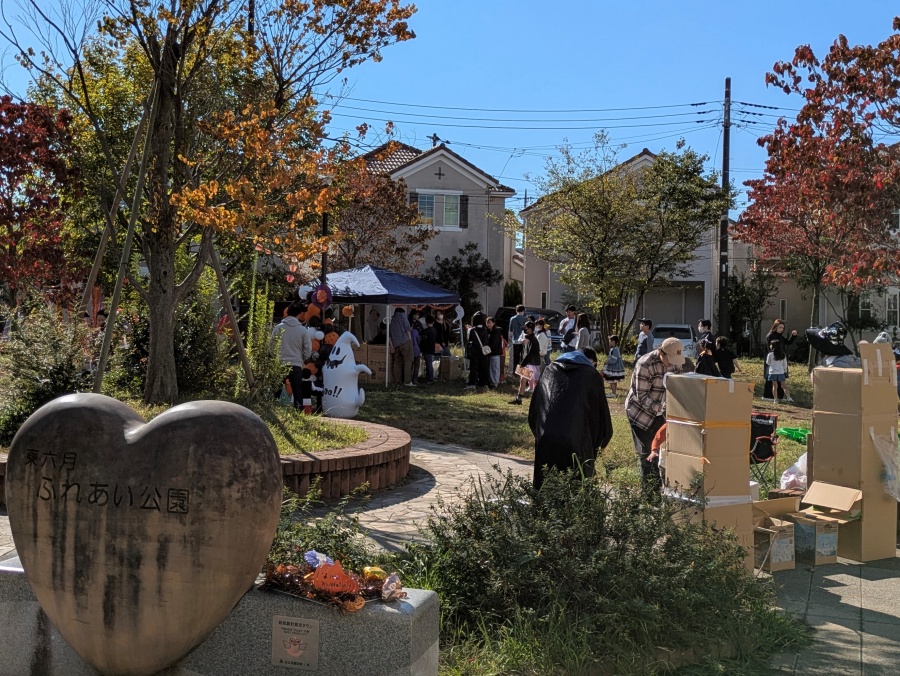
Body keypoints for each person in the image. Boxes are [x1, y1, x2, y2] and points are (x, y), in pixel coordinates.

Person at [528, 347, 612, 490]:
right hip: (578, 443)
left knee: (546, 490)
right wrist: (596, 446)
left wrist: (541, 435)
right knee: (576, 492)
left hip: (546, 441)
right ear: (590, 361)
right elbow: (601, 417)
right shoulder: (592, 375)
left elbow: (534, 413)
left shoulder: (548, 371)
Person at [625, 336, 684, 496]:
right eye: (670, 359)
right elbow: (641, 396)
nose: (673, 364)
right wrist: (661, 408)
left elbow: (678, 385)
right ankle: (649, 495)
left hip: (662, 413)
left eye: (676, 360)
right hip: (640, 414)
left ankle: (660, 490)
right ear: (661, 353)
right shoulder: (645, 364)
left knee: (661, 451)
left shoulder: (676, 363)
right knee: (647, 452)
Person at [271, 302, 313, 411]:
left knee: (276, 390)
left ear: (287, 313)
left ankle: (273, 410)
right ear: (298, 314)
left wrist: (274, 357)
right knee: (297, 391)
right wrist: (303, 358)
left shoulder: (278, 328)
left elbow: (271, 346)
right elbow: (308, 348)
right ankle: (298, 412)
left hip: (280, 362)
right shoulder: (302, 330)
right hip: (296, 363)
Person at [763, 319, 797, 401]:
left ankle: (780, 396)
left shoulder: (781, 337)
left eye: (782, 328)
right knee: (771, 380)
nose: (781, 329)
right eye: (780, 327)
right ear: (775, 327)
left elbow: (788, 342)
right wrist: (775, 357)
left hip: (781, 360)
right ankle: (769, 396)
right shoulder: (770, 336)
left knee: (781, 380)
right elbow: (769, 349)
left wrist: (793, 336)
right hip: (773, 361)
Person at [510, 321, 541, 405]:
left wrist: (522, 364)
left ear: (530, 329)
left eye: (526, 328)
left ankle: (540, 400)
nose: (525, 330)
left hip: (532, 363)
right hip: (529, 363)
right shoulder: (529, 338)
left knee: (536, 382)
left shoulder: (533, 340)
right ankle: (519, 399)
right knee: (523, 380)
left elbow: (530, 354)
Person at [465, 312, 491, 390]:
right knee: (483, 367)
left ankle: (472, 383)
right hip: (483, 351)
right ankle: (484, 383)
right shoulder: (485, 330)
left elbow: (469, 339)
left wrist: (468, 330)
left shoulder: (472, 330)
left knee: (473, 367)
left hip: (474, 351)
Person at [389, 307, 415, 387]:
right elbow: (407, 330)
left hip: (396, 344)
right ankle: (407, 381)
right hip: (405, 341)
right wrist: (410, 341)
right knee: (408, 361)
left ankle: (398, 381)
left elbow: (390, 334)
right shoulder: (403, 317)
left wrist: (392, 345)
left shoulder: (392, 320)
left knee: (397, 362)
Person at [766, 340, 790, 404]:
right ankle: (788, 397)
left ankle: (775, 399)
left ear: (773, 346)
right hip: (781, 372)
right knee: (783, 385)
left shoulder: (770, 354)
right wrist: (785, 371)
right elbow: (785, 364)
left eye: (771, 344)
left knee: (775, 386)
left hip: (773, 372)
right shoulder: (783, 354)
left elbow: (768, 363)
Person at [485, 316, 504, 387]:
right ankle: (490, 382)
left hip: (495, 352)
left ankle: (495, 382)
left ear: (493, 323)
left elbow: (495, 343)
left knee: (495, 368)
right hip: (488, 353)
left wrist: (489, 349)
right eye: (487, 323)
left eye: (490, 323)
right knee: (490, 368)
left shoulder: (496, 331)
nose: (488, 324)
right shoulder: (486, 331)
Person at [419, 315, 438, 384]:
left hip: (426, 349)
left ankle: (430, 379)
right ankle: (429, 378)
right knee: (429, 363)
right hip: (432, 348)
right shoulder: (434, 330)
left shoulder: (426, 331)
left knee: (428, 364)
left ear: (426, 322)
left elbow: (423, 340)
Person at [508, 305, 527, 373]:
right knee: (523, 356)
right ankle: (521, 371)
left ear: (516, 310)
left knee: (515, 357)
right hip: (524, 340)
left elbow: (510, 331)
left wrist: (510, 340)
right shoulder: (525, 319)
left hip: (515, 340)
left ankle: (515, 371)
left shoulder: (512, 319)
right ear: (523, 311)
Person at [410, 319, 422, 386]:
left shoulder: (407, 332)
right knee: (416, 366)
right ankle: (415, 379)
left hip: (410, 350)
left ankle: (409, 378)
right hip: (416, 350)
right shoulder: (415, 331)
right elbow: (418, 340)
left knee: (410, 366)